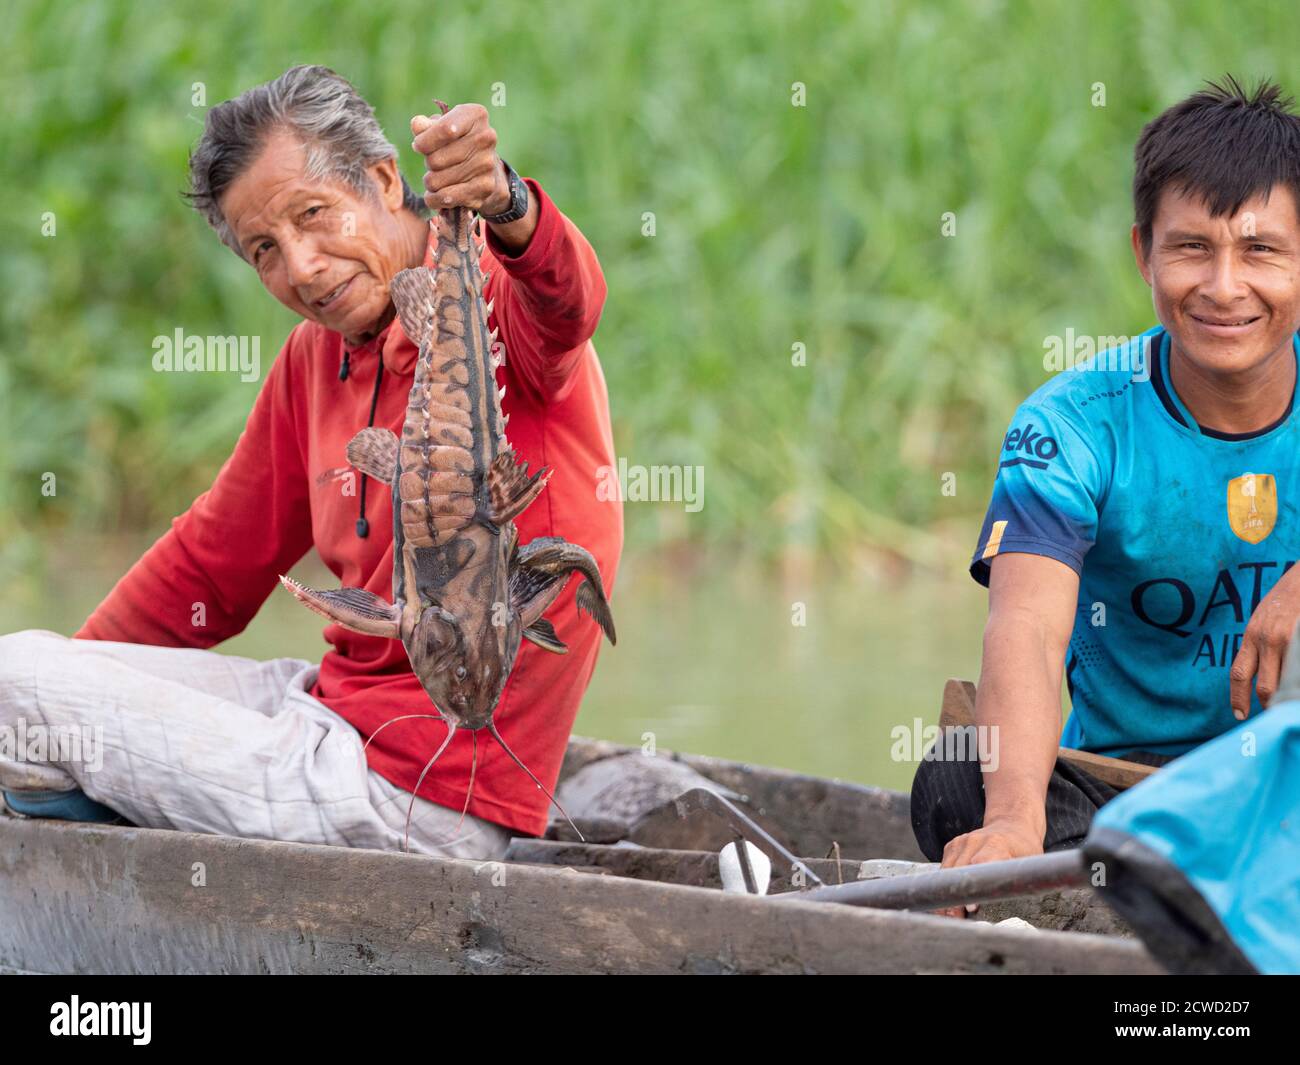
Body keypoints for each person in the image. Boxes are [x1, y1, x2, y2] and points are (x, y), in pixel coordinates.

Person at [0, 65, 621, 860]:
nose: (301, 267)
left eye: (314, 215)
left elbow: (569, 303)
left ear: (386, 180)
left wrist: (509, 205)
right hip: (320, 717)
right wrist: (74, 678)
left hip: (417, 798)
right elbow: (208, 568)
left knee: (17, 685)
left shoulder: (496, 314)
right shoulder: (312, 357)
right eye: (265, 249)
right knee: (27, 682)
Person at [911, 76, 1300, 907]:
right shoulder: (1073, 423)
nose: (1225, 287)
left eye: (1260, 250)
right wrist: (1014, 820)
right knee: (954, 780)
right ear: (1142, 254)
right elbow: (1026, 621)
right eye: (1192, 247)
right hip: (1122, 797)